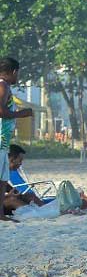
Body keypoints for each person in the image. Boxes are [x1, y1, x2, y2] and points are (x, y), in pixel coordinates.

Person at [1, 57, 34, 222]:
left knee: (3, 176)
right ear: (13, 72)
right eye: (17, 73)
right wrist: (22, 114)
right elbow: (1, 112)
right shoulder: (3, 85)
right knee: (1, 176)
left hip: (3, 140)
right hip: (1, 140)